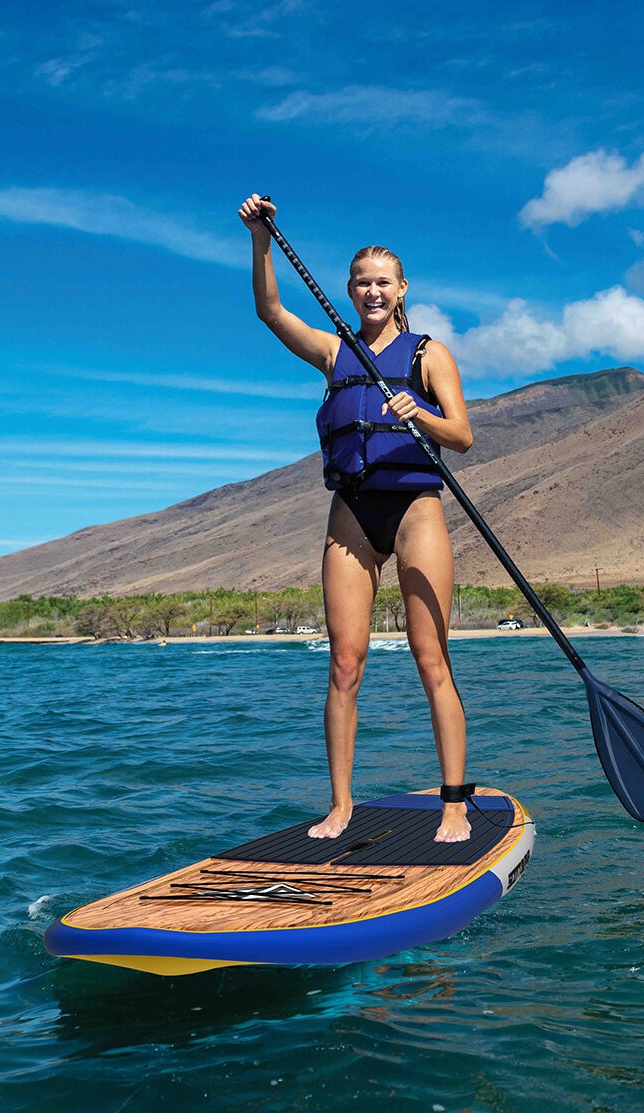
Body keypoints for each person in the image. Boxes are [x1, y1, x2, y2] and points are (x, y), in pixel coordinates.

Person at [238, 194, 475, 843]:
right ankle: (341, 805)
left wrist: (417, 413)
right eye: (362, 282)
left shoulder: (430, 355)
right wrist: (262, 239)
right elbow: (269, 310)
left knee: (433, 660)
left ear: (402, 291)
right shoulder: (334, 353)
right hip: (352, 514)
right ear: (350, 290)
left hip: (415, 511)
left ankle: (455, 805)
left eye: (383, 282)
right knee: (345, 664)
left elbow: (461, 436)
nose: (373, 291)